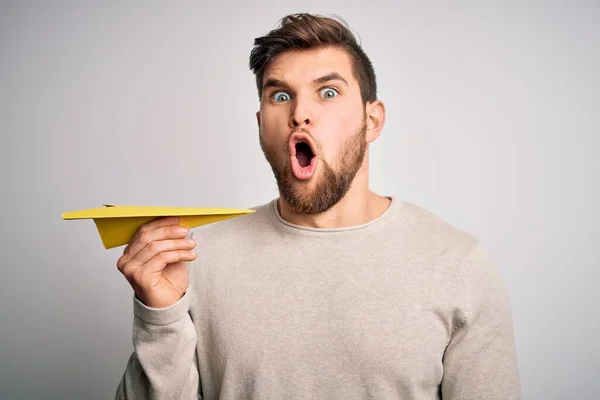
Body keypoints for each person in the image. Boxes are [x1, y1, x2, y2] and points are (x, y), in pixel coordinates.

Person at [114, 13, 520, 400]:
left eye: (328, 92)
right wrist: (160, 317)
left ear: (372, 121)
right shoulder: (194, 258)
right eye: (280, 95)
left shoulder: (458, 264)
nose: (299, 114)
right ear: (261, 125)